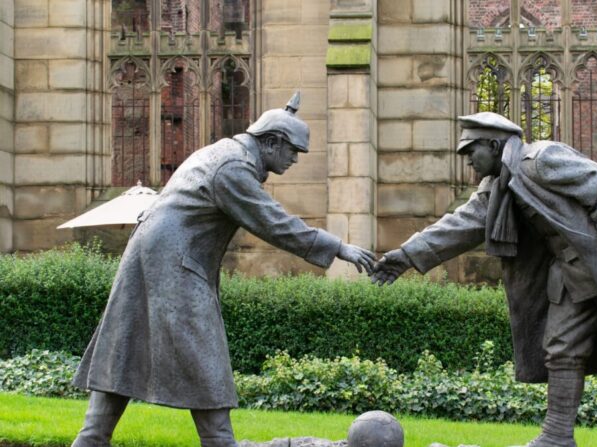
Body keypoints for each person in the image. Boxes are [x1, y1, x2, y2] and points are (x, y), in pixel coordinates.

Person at [371, 112, 597, 447]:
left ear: (494, 144)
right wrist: (406, 255)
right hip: (571, 273)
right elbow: (459, 225)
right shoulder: (497, 186)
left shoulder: (540, 159)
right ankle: (558, 436)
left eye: (472, 151)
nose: (468, 160)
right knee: (561, 350)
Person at [71, 92, 376, 447]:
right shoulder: (232, 167)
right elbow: (271, 220)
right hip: (175, 268)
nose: (295, 159)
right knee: (205, 364)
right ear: (271, 142)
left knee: (123, 353)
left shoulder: (223, 152)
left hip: (149, 263)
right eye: (293, 150)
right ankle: (219, 442)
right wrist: (338, 246)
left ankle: (91, 439)